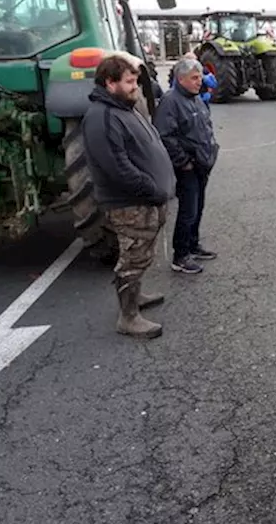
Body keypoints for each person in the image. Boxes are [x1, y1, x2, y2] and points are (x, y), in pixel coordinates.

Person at [81, 54, 176, 340]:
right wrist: (151, 188)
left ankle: (136, 296)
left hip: (145, 199)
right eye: (130, 82)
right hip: (130, 203)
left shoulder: (122, 107)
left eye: (135, 81)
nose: (135, 87)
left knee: (140, 253)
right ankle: (128, 316)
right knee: (132, 257)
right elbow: (118, 168)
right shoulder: (102, 117)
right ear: (110, 83)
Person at [154, 57, 220, 274]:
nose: (199, 81)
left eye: (200, 77)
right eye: (194, 78)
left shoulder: (196, 100)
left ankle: (193, 244)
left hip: (202, 165)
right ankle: (180, 255)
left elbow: (205, 127)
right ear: (181, 79)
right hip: (188, 168)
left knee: (198, 207)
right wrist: (184, 162)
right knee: (188, 211)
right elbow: (165, 136)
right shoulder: (171, 102)